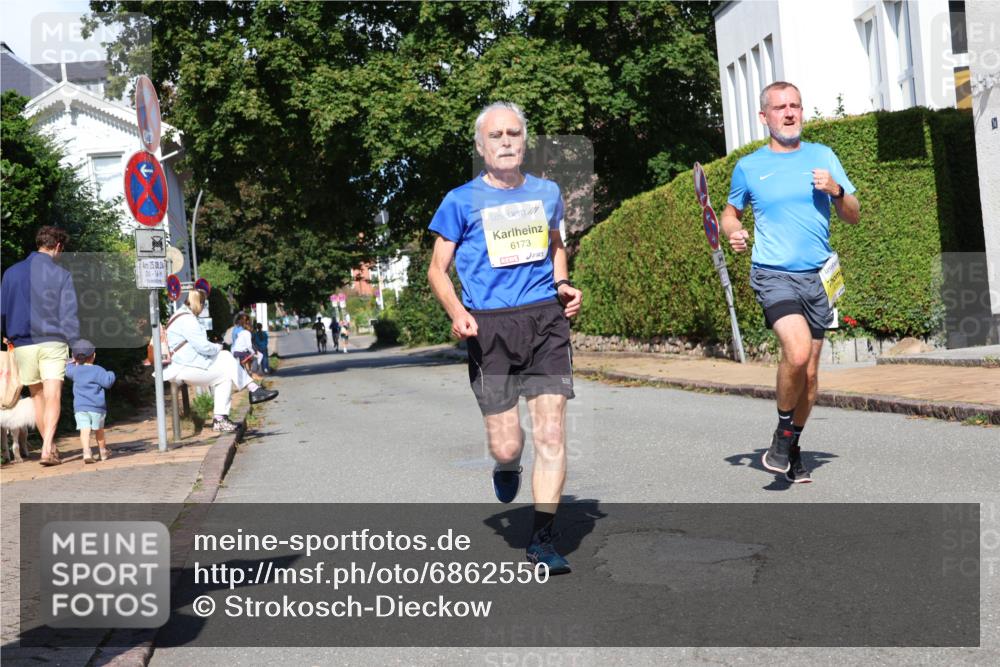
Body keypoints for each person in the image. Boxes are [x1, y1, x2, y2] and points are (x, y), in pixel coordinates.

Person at [427, 101, 582, 574]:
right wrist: (457, 312)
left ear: (525, 141)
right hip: (488, 325)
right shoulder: (459, 201)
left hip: (544, 320)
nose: (507, 142)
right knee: (508, 444)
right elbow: (437, 269)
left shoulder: (548, 192)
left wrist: (561, 285)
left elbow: (557, 248)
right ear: (481, 146)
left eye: (514, 133)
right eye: (496, 136)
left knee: (551, 431)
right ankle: (507, 466)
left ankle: (542, 539)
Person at [720, 81, 860, 483]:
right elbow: (730, 212)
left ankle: (791, 445)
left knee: (812, 375)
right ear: (764, 117)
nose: (789, 113)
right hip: (773, 274)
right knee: (797, 354)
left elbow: (853, 214)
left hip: (819, 276)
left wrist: (835, 190)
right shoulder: (749, 166)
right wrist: (734, 231)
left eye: (795, 106)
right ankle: (783, 434)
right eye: (779, 107)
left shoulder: (823, 156)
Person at [0, 226, 79, 466]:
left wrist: (6, 334)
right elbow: (68, 314)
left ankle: (51, 447)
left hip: (23, 343)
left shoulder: (11, 273)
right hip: (52, 341)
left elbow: (3, 310)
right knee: (53, 394)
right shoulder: (61, 275)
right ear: (57, 247)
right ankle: (47, 448)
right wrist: (76, 344)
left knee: (37, 396)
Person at [163, 289, 278, 432]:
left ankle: (221, 419)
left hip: (186, 364)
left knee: (225, 372)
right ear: (200, 303)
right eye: (204, 305)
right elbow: (203, 347)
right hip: (185, 367)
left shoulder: (179, 315)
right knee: (225, 358)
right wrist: (218, 346)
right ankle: (253, 390)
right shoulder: (188, 319)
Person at [65, 340, 115, 463]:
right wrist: (111, 373)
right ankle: (103, 452)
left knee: (84, 430)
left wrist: (72, 362)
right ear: (94, 355)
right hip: (97, 407)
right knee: (99, 430)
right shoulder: (98, 370)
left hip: (80, 407)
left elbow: (67, 369)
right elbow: (108, 383)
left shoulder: (74, 371)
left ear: (75, 357)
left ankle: (86, 452)